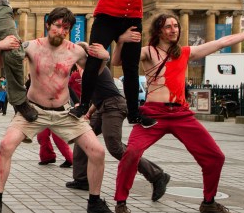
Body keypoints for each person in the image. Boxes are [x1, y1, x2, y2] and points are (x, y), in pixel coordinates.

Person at [34, 0, 201, 127]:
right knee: (94, 60)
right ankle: (83, 105)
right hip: (106, 18)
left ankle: (134, 113)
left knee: (131, 68)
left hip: (132, 19)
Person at [112, 14, 244, 213]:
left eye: (176, 26)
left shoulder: (185, 53)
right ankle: (121, 203)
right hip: (153, 114)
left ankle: (209, 202)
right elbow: (117, 61)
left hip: (181, 114)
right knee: (132, 153)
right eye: (168, 27)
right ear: (158, 31)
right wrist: (121, 41)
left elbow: (221, 42)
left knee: (216, 157)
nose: (174, 30)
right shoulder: (148, 52)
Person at [0, 7, 117, 213]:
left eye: (66, 28)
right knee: (5, 146)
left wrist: (104, 58)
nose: (61, 31)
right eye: (57, 26)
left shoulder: (75, 50)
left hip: (64, 112)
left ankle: (94, 202)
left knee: (97, 152)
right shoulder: (31, 47)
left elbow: (95, 72)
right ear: (48, 25)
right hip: (33, 110)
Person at [67, 63, 170, 202]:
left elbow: (97, 92)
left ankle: (157, 175)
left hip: (113, 106)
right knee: (82, 136)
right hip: (102, 105)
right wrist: (90, 112)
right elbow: (99, 93)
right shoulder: (88, 69)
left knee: (115, 147)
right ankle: (81, 179)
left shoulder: (94, 67)